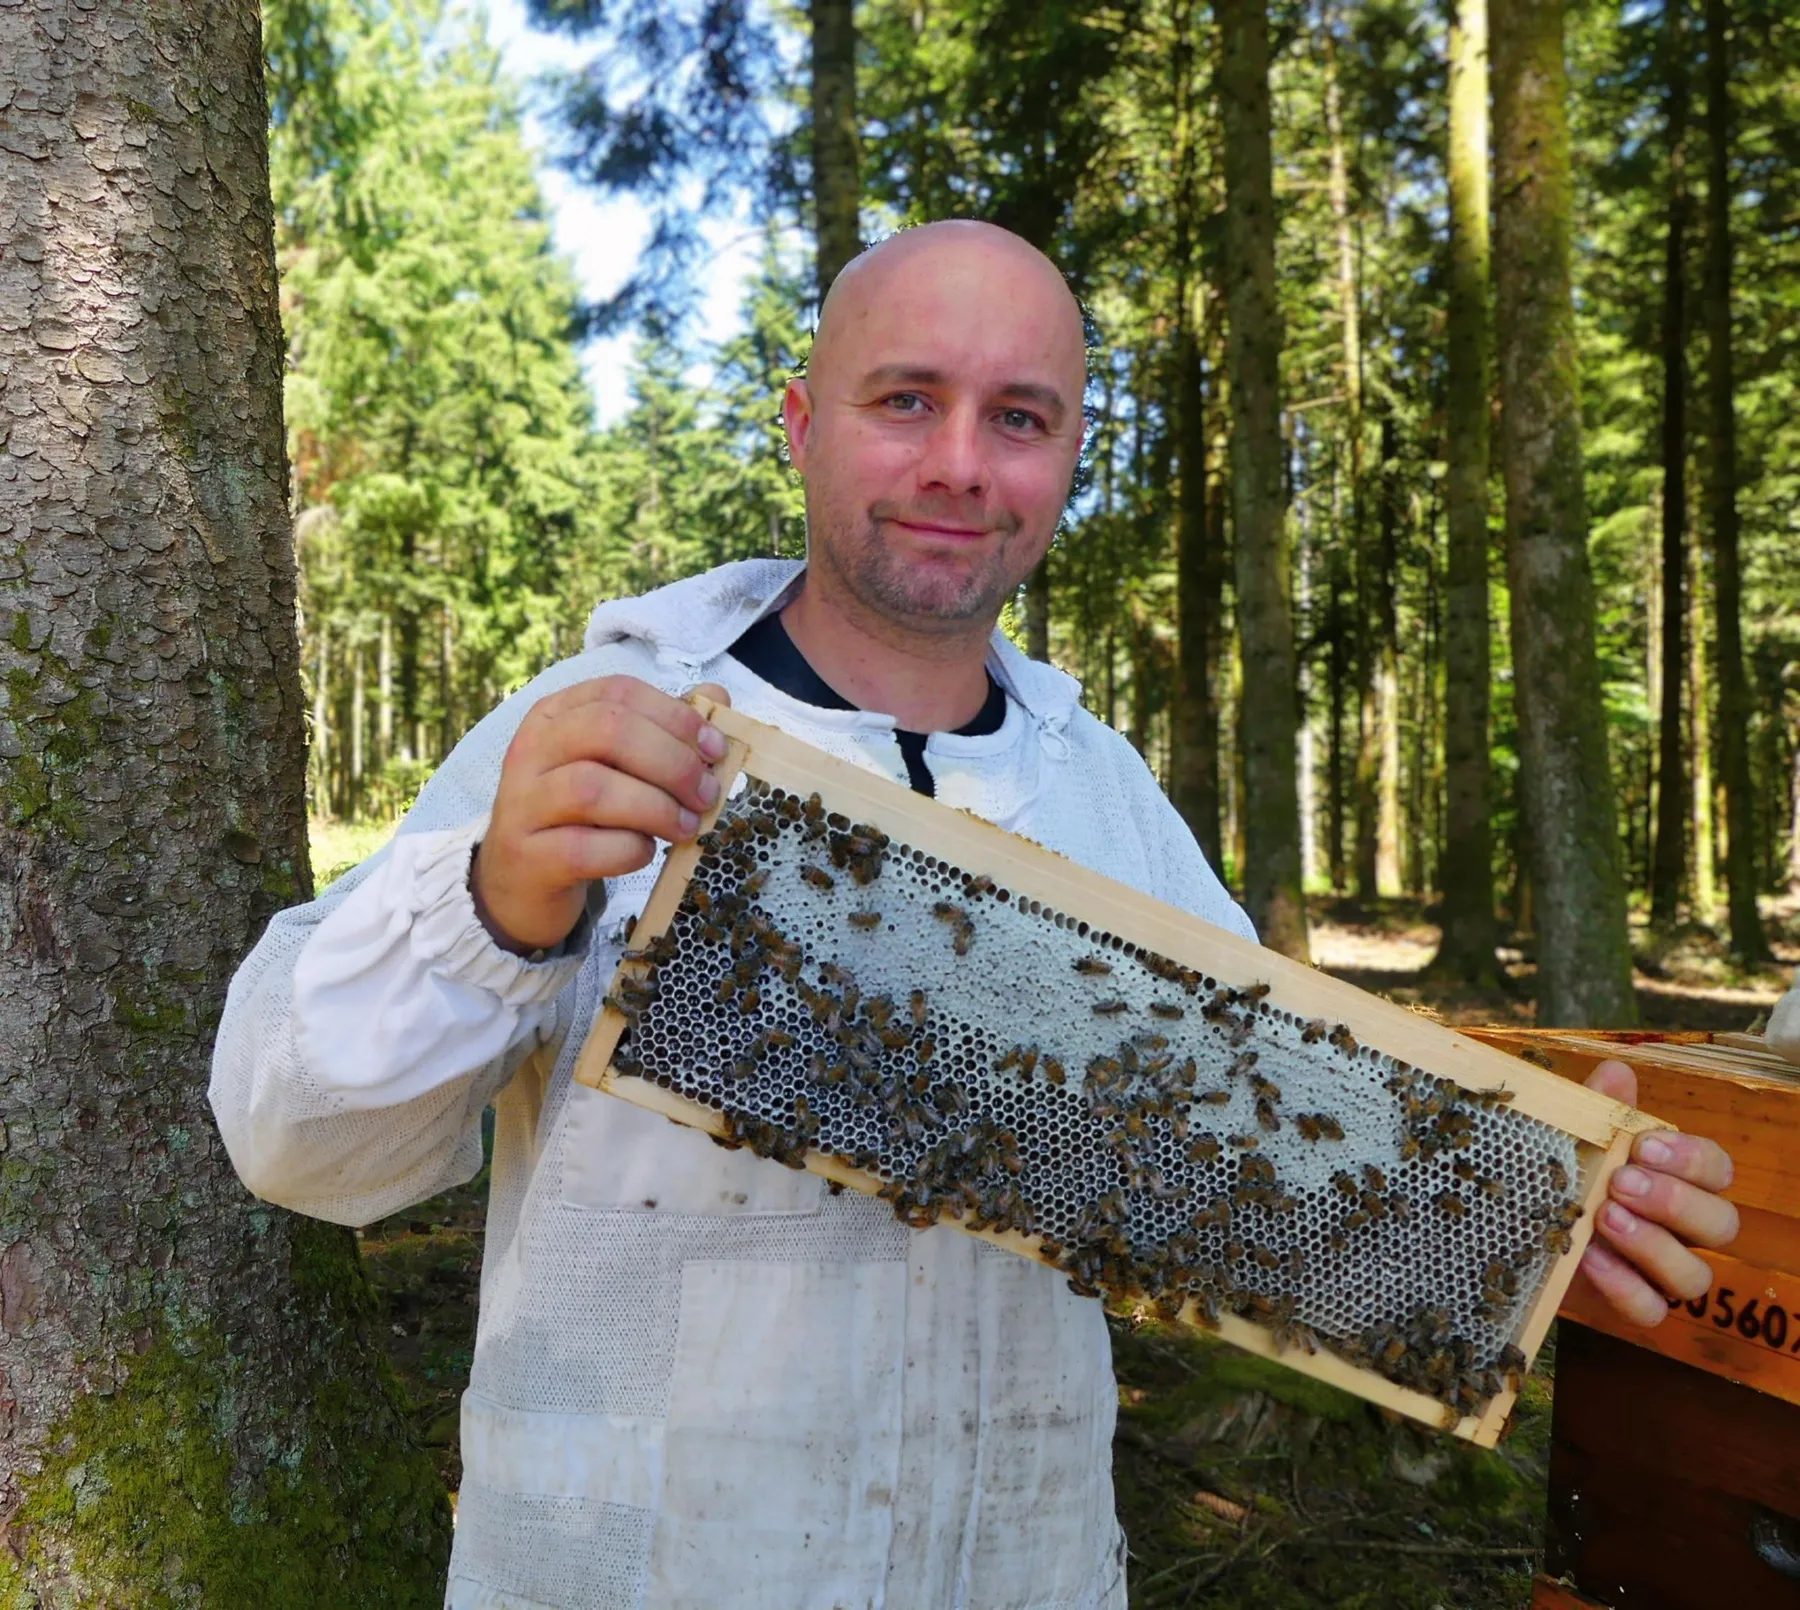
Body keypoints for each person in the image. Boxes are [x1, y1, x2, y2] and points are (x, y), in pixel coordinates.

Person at [211, 220, 1739, 1610]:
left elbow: (1271, 1168)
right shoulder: (603, 723)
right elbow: (295, 1143)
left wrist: (1517, 1217)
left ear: (1071, 455)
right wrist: (498, 898)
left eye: (1018, 418)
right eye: (905, 400)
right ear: (804, 427)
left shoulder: (1103, 795)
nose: (960, 461)